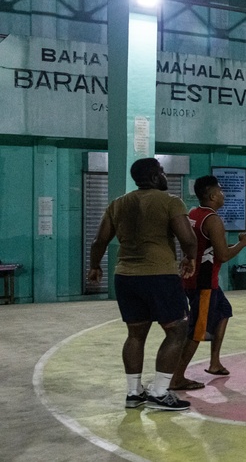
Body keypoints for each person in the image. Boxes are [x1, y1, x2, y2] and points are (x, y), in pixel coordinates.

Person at [87, 157, 198, 411]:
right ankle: (159, 393)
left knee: (135, 334)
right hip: (159, 275)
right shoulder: (171, 202)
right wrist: (189, 258)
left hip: (125, 277)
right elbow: (188, 238)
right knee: (177, 330)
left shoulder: (117, 204)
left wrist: (94, 266)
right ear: (154, 175)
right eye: (161, 171)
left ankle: (134, 392)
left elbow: (98, 241)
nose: (164, 175)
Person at [170, 176, 246, 390]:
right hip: (204, 282)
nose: (223, 194)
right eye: (221, 191)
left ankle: (214, 362)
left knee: (224, 311)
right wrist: (243, 243)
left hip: (194, 278)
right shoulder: (213, 220)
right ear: (213, 195)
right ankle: (177, 377)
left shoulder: (193, 214)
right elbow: (223, 255)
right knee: (197, 331)